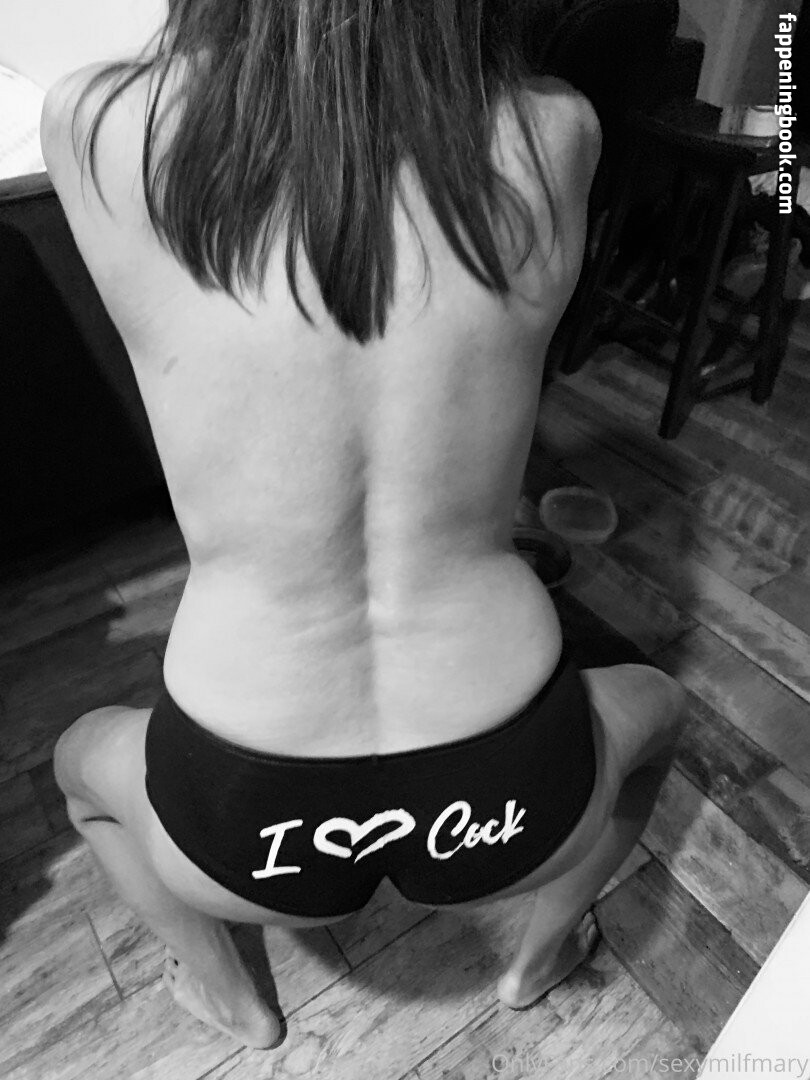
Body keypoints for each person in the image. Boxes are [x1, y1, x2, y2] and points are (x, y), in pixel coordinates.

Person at [45, 0, 686, 1050]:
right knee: (660, 707)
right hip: (515, 785)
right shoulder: (556, 129)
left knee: (82, 768)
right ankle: (540, 956)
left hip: (234, 809)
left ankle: (226, 994)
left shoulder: (97, 122)